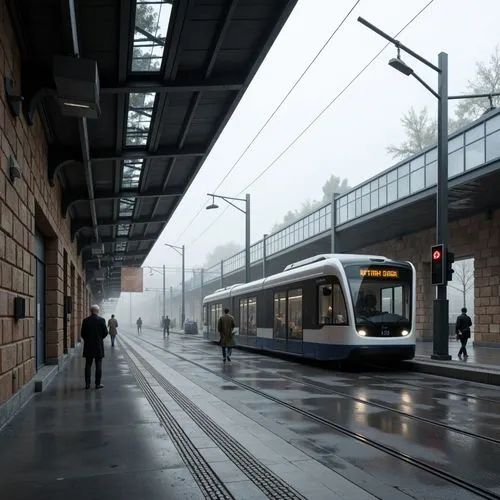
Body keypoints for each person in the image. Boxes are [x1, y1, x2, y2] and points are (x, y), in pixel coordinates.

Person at [81, 305, 108, 389]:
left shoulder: (85, 320)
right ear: (97, 311)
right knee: (98, 364)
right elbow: (105, 332)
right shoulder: (102, 320)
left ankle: (87, 384)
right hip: (98, 346)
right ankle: (97, 384)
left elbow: (82, 333)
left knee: (88, 365)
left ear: (90, 311)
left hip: (88, 345)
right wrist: (100, 339)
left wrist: (87, 340)